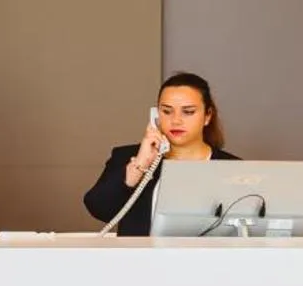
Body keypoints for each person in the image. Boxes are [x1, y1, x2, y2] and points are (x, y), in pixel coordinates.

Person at [83, 72, 240, 236]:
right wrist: (139, 166)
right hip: (142, 260)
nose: (176, 120)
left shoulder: (232, 167)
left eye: (188, 112)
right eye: (166, 111)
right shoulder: (128, 157)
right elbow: (98, 209)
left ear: (207, 116)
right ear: (156, 115)